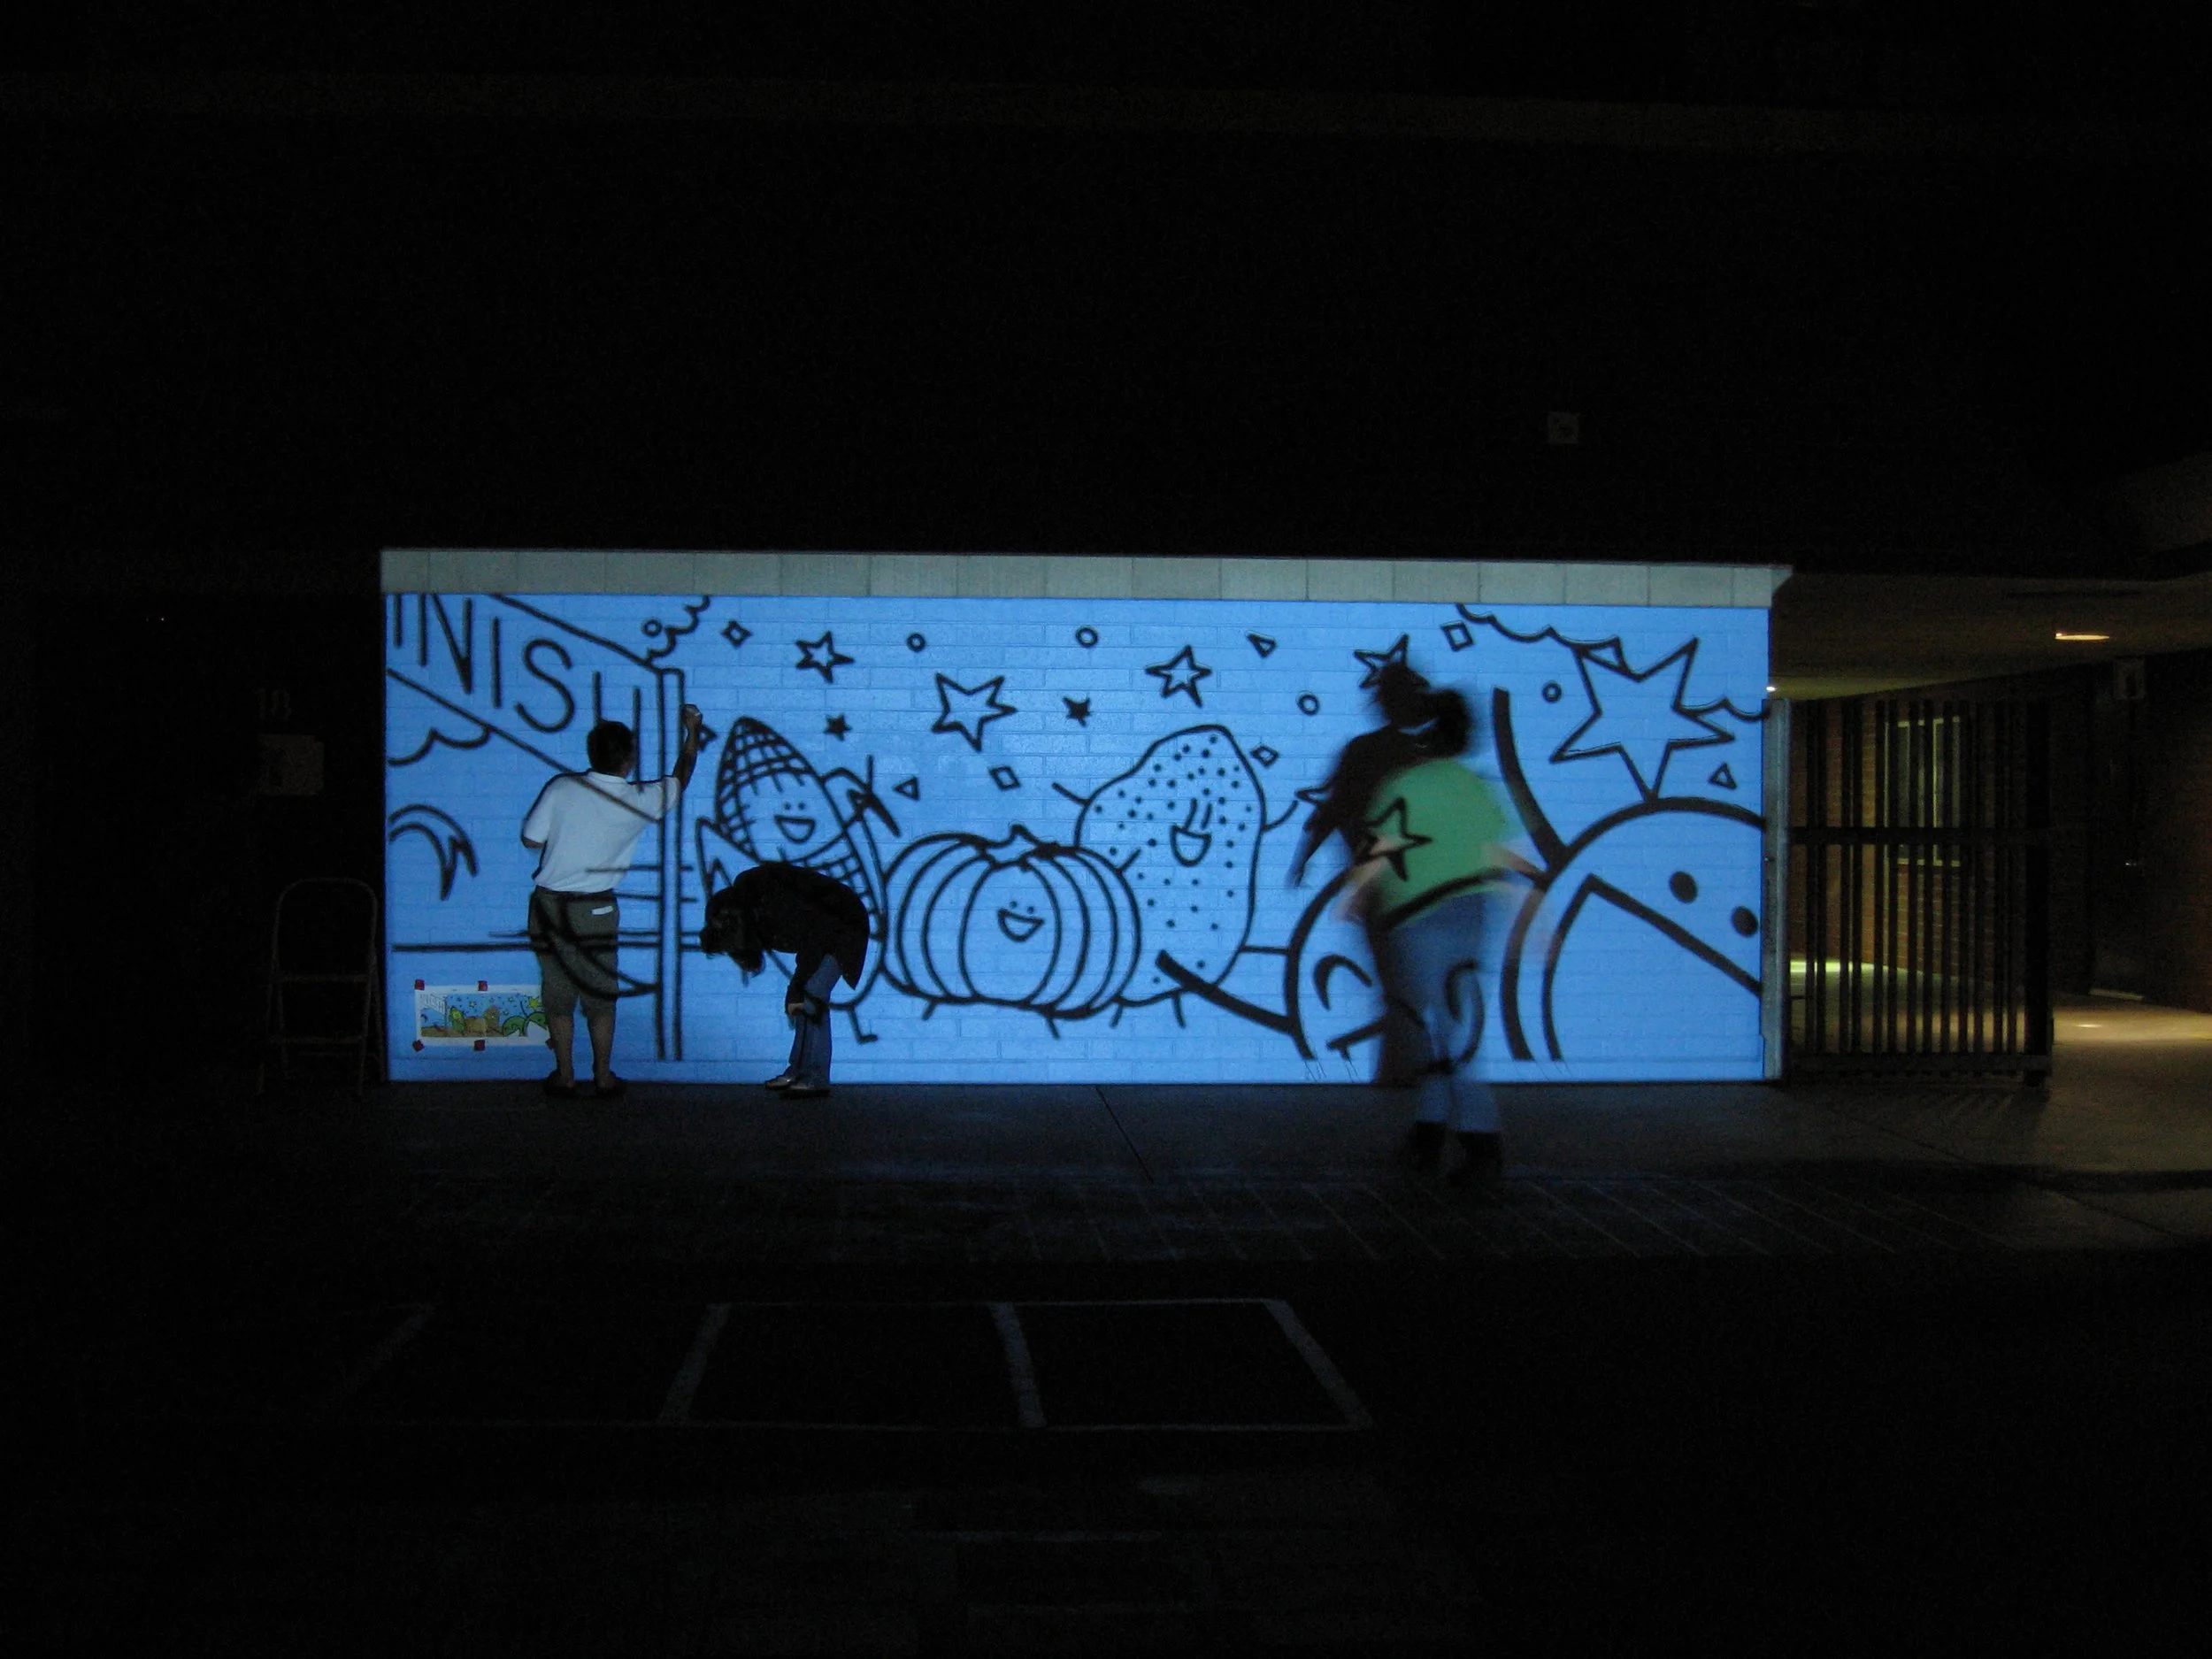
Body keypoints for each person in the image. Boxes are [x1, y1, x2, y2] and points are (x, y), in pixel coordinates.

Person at [1341, 685, 1515, 1181]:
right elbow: (1496, 851)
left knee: (1440, 1030)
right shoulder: (1474, 786)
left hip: (1419, 918)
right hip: (1472, 913)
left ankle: (1480, 1142)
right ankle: (1429, 1133)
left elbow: (1378, 848)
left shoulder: (1406, 785)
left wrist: (1353, 895)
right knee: (1447, 1023)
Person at [521, 708, 704, 1098]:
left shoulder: (561, 788)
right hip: (597, 909)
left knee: (557, 993)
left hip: (549, 906)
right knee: (601, 995)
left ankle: (565, 1075)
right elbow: (682, 776)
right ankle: (603, 1076)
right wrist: (692, 732)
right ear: (629, 758)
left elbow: (531, 840)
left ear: (592, 753)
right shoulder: (639, 799)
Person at [1287, 659, 1439, 1087]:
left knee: (1395, 975)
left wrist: (1304, 857)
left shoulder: (1366, 751)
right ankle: (1408, 1068)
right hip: (1419, 881)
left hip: (1378, 881)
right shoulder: (1423, 754)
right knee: (1407, 977)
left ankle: (1403, 1070)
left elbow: (1333, 808)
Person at [700, 862, 870, 1099]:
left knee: (812, 996)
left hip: (842, 926)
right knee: (804, 999)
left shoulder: (773, 905)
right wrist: (796, 990)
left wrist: (796, 987)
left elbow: (815, 939)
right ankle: (798, 1071)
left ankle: (815, 1077)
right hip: (830, 926)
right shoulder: (753, 908)